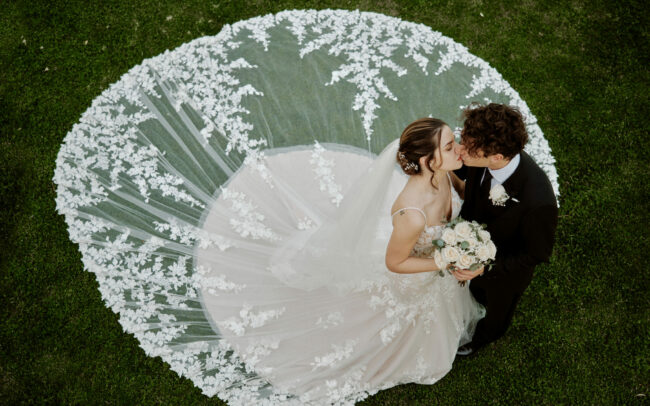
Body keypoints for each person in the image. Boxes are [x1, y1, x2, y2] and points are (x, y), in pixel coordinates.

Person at [452, 103, 558, 356]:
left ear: (497, 157)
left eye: (468, 149)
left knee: (497, 309)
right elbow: (463, 171)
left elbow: (537, 253)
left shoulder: (538, 200)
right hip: (473, 240)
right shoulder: (482, 155)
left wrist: (485, 267)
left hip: (504, 273)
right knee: (473, 293)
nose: (460, 150)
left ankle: (483, 338)